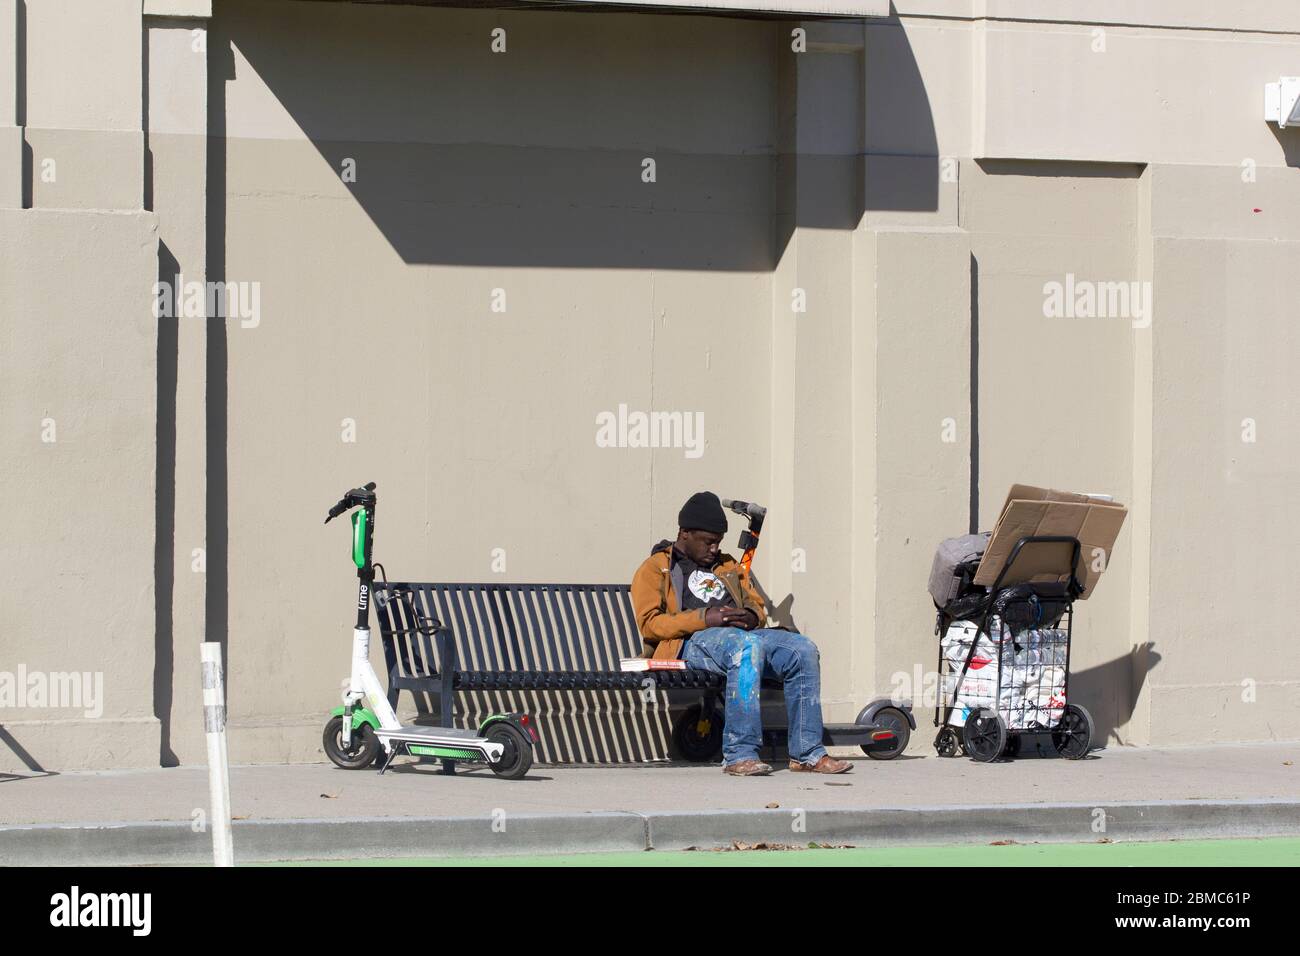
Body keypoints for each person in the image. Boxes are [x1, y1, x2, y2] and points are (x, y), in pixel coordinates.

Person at [631, 491, 851, 776]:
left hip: (739, 637)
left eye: (718, 542)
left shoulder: (727, 565)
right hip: (690, 642)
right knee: (744, 647)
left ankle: (807, 753)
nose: (714, 549)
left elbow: (755, 606)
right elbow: (650, 623)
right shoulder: (656, 567)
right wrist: (704, 618)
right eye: (708, 542)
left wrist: (749, 616)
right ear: (685, 533)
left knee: (802, 650)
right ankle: (739, 754)